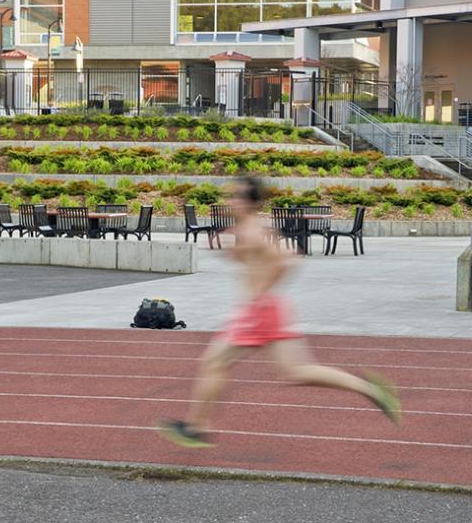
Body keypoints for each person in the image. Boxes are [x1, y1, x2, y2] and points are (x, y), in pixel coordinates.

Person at [158, 176, 401, 447]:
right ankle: (370, 390)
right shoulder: (251, 229)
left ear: (249, 202)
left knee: (213, 363)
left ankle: (196, 427)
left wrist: (261, 292)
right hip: (268, 309)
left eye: (235, 196)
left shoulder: (252, 232)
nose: (230, 201)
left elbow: (285, 261)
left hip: (258, 311)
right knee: (295, 372)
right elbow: (288, 254)